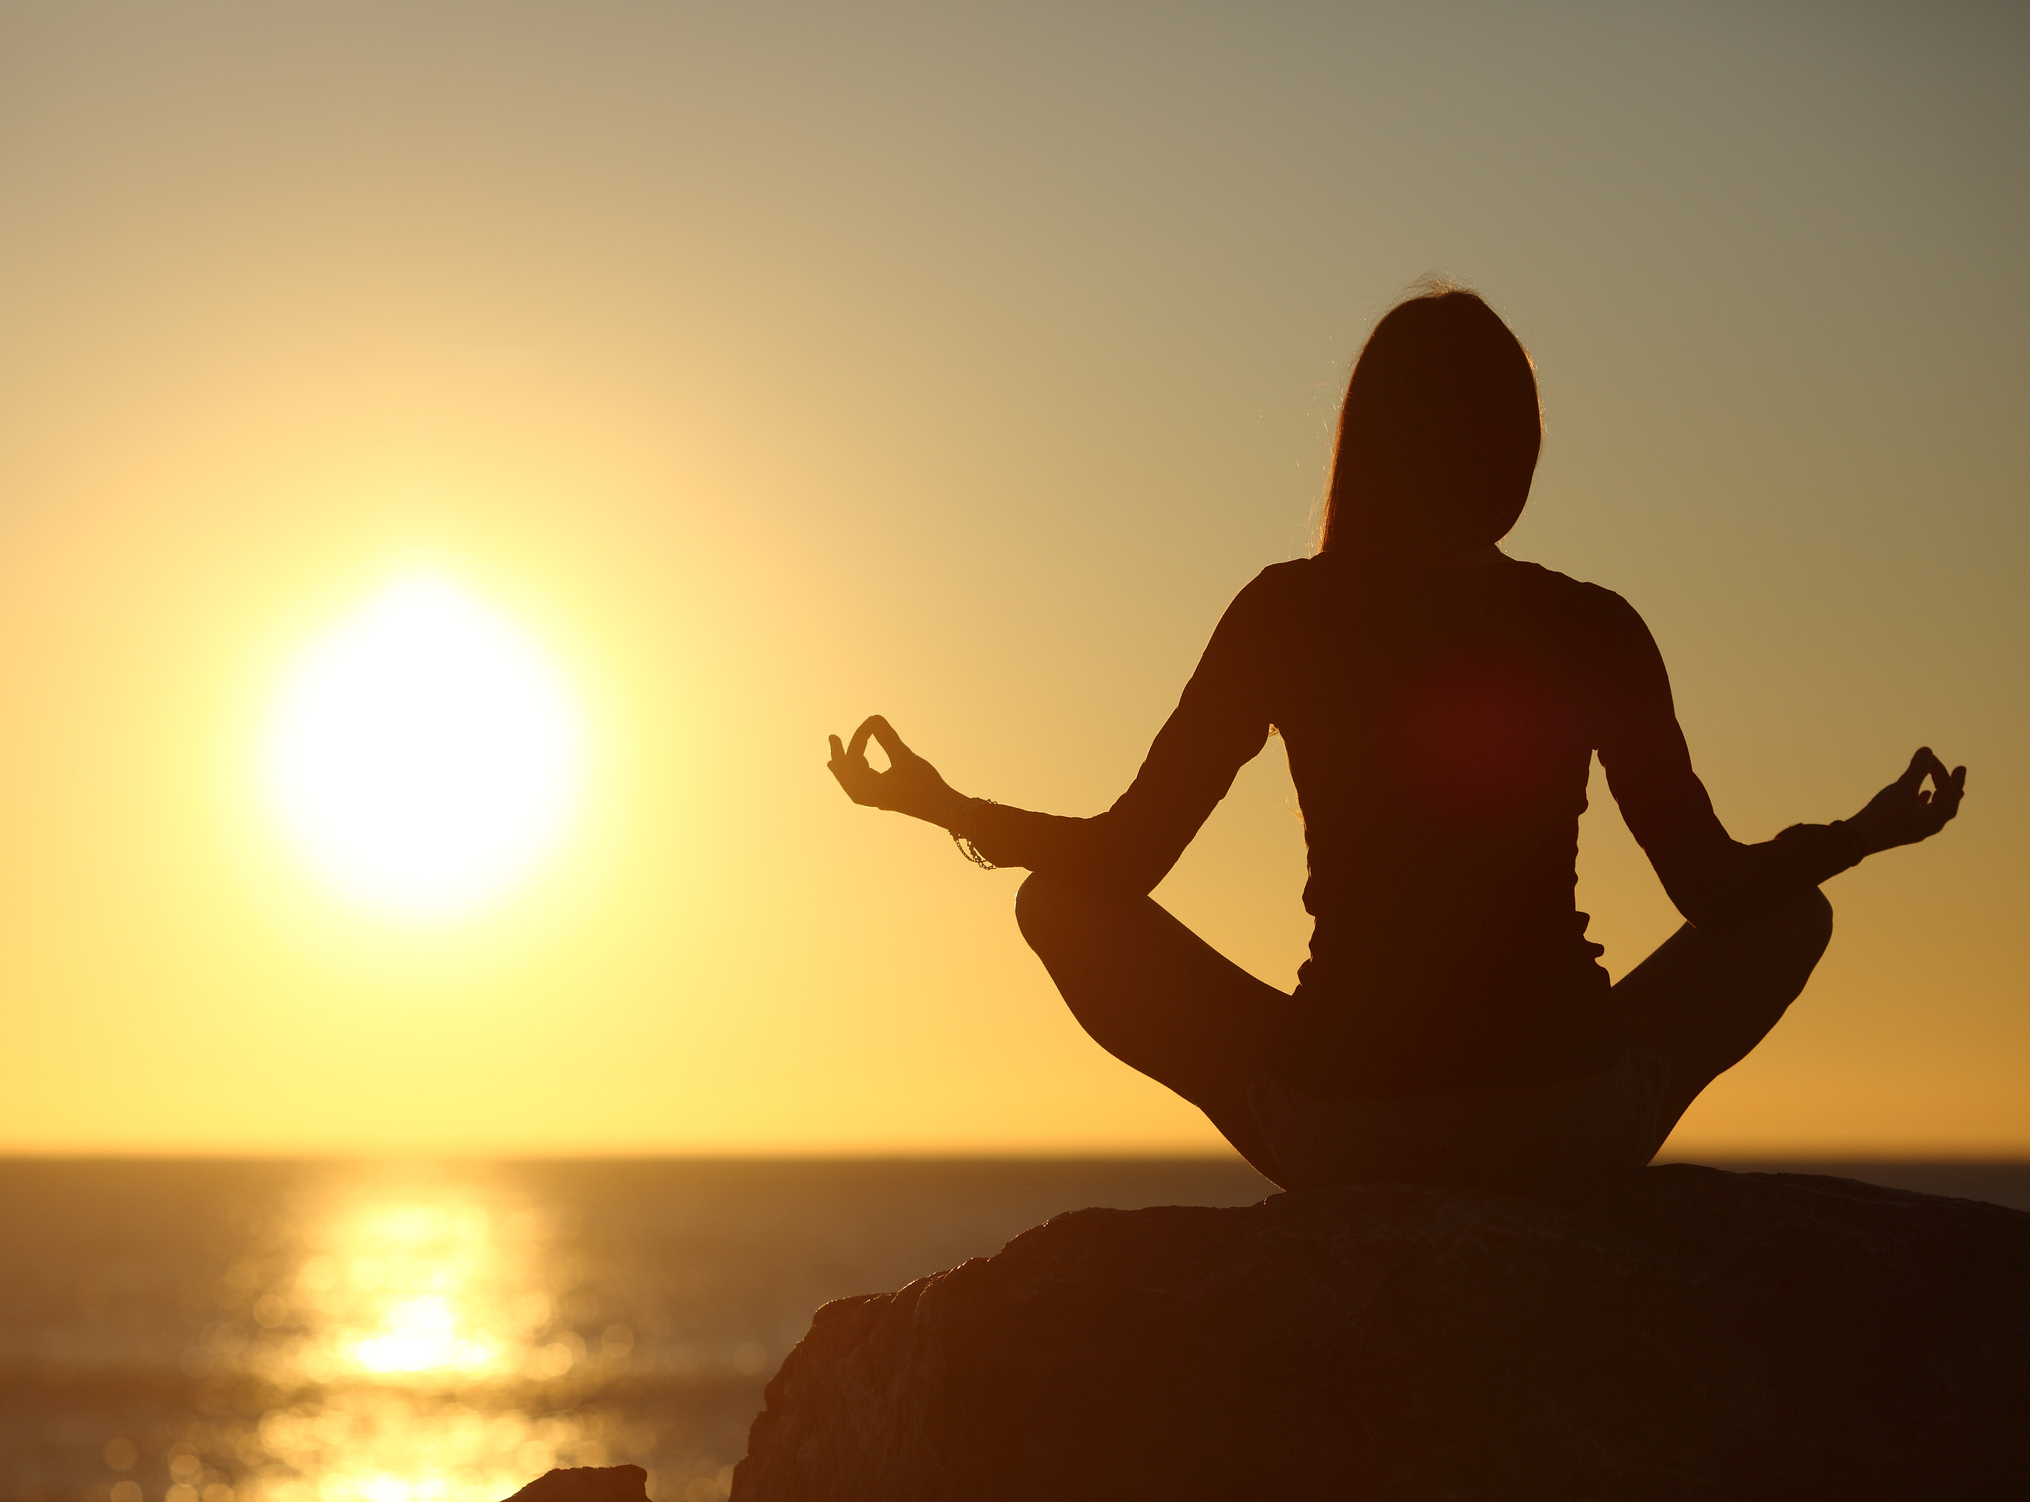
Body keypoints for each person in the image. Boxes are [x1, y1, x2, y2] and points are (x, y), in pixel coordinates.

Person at [825, 284, 1966, 1199]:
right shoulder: (1592, 622)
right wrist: (1861, 832)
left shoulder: (1284, 611)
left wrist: (942, 805)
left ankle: (1354, 1091)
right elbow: (1716, 891)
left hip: (1345, 1126)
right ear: (1512, 451)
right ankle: (1567, 1101)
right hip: (1564, 1120)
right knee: (1799, 910)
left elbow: (1122, 863)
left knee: (1052, 903)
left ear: (1367, 446)